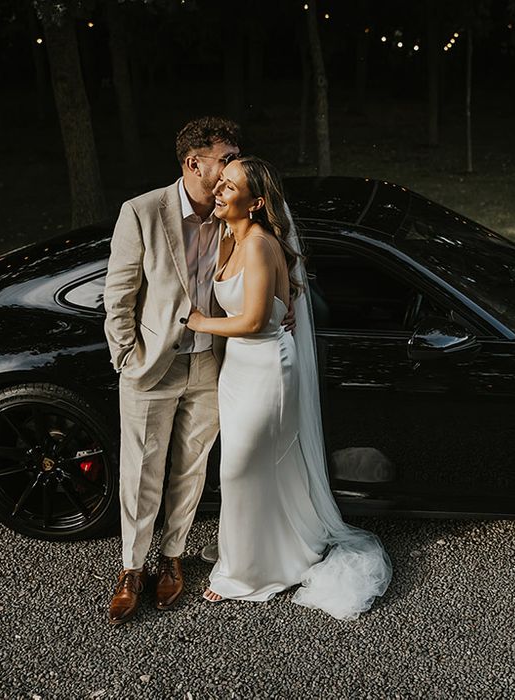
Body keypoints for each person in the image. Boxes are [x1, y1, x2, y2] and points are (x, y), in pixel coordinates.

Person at [103, 117, 293, 626]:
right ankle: (131, 569)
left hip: (211, 365)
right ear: (194, 163)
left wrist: (285, 296)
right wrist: (128, 357)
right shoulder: (142, 212)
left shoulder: (233, 212)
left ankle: (173, 558)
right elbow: (118, 296)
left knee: (190, 469)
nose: (232, 166)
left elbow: (271, 250)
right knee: (141, 471)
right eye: (225, 157)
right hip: (152, 367)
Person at [186, 157, 392, 620]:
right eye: (220, 183)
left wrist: (200, 322)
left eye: (230, 187)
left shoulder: (259, 245)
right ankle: (257, 554)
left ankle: (246, 573)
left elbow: (257, 320)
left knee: (239, 470)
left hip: (266, 372)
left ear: (256, 203)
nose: (218, 191)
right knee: (254, 471)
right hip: (238, 370)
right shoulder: (229, 238)